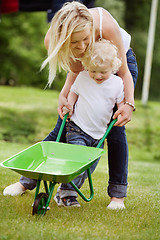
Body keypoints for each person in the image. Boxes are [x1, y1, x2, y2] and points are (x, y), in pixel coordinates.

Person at [3, 1, 138, 210]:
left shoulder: (104, 24)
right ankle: (26, 182)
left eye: (86, 39)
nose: (83, 47)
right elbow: (76, 71)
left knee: (115, 130)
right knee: (64, 126)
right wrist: (64, 95)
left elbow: (124, 73)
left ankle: (117, 195)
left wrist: (128, 103)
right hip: (86, 73)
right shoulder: (52, 40)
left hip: (116, 68)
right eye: (75, 43)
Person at [54, 39, 125, 208]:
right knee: (77, 162)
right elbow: (73, 92)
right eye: (93, 70)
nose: (97, 76)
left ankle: (65, 191)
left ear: (113, 68)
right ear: (86, 65)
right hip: (77, 129)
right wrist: (69, 104)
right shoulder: (83, 77)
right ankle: (67, 195)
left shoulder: (117, 83)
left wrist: (122, 109)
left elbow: (121, 102)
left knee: (88, 168)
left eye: (103, 72)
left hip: (99, 135)